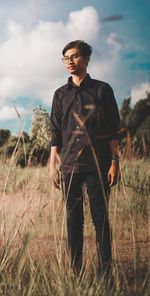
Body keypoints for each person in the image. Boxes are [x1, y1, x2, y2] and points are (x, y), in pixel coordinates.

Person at [49, 40, 120, 276]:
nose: (69, 61)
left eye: (74, 56)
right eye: (65, 58)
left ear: (87, 58)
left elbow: (113, 130)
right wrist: (53, 164)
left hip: (98, 165)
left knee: (100, 219)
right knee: (73, 221)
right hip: (69, 167)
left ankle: (105, 273)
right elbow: (55, 132)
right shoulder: (60, 95)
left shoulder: (102, 90)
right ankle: (76, 273)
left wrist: (115, 163)